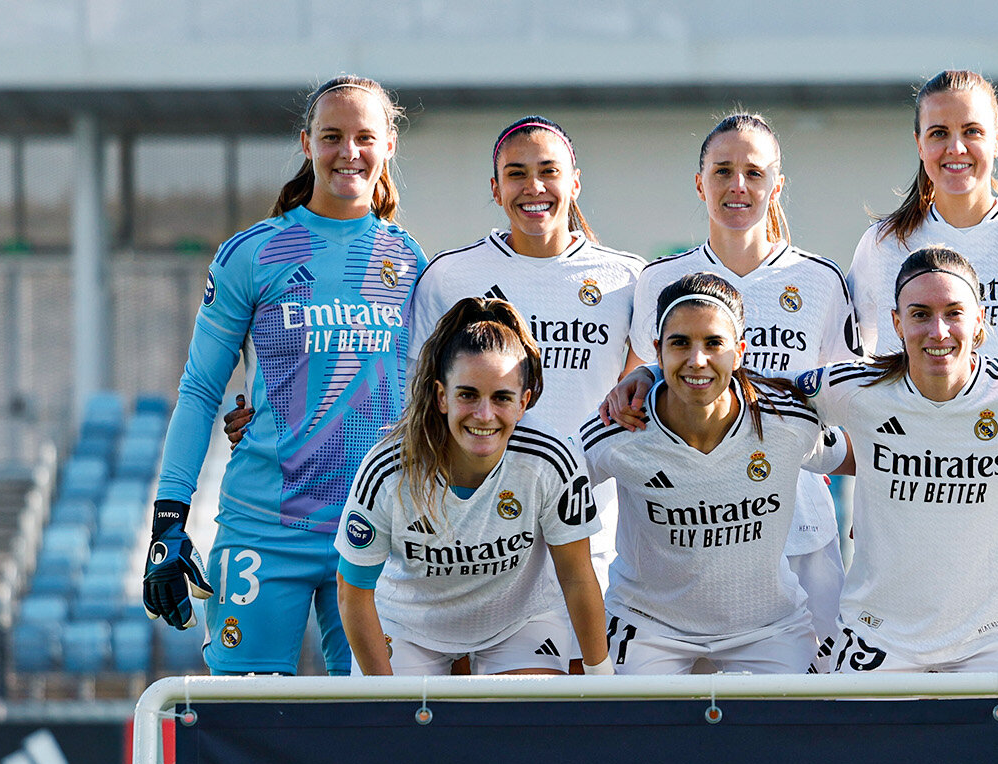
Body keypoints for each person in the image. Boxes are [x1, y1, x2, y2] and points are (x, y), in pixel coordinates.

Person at [144, 75, 425, 675]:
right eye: (331, 136)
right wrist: (169, 520)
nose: (348, 151)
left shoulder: (411, 262)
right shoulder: (252, 253)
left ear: (388, 146)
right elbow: (198, 391)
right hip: (263, 528)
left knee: (380, 733)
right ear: (306, 143)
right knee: (248, 728)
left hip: (375, 526)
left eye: (363, 137)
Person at [847, 70, 998, 670]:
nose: (955, 148)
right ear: (919, 144)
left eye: (971, 131)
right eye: (939, 133)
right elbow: (856, 364)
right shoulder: (884, 244)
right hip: (914, 484)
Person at [618, 113, 859, 646]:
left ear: (777, 184)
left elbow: (850, 406)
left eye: (754, 171)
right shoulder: (658, 280)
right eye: (722, 171)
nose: (737, 186)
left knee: (809, 703)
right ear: (700, 182)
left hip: (800, 524)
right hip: (686, 527)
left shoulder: (820, 280)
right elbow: (639, 387)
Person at [801, 246, 998, 672]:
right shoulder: (855, 388)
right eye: (920, 314)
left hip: (989, 641)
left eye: (954, 313)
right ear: (896, 322)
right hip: (876, 636)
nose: (939, 330)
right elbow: (764, 401)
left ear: (979, 319)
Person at [405, 115, 643, 608]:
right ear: (495, 188)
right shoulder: (450, 278)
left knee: (582, 682)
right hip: (476, 538)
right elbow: (422, 406)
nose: (533, 186)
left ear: (574, 182)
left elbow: (640, 403)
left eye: (548, 171)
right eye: (516, 173)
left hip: (592, 531)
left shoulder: (628, 279)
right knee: (482, 683)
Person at [584, 274, 846, 674]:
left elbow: (868, 457)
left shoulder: (788, 422)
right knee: (632, 734)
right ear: (657, 351)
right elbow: (545, 481)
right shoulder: (620, 425)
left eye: (713, 343)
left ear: (739, 351)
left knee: (800, 732)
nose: (697, 360)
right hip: (648, 626)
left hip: (768, 626)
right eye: (680, 343)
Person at [335, 297, 608, 676]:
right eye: (467, 395)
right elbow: (353, 592)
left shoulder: (550, 458)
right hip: (410, 629)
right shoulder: (389, 469)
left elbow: (577, 576)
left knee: (529, 730)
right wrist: (386, 701)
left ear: (523, 401)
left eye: (502, 398)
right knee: (404, 732)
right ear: (442, 396)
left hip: (517, 624)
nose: (484, 415)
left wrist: (600, 676)